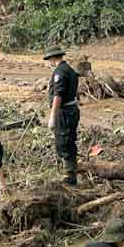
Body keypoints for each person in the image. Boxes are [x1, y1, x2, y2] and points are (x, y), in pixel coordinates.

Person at [44, 47, 80, 186]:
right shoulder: (69, 69)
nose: (49, 63)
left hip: (65, 112)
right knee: (69, 140)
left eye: (49, 60)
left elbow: (58, 96)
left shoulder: (60, 72)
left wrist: (52, 116)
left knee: (64, 141)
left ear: (54, 58)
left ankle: (69, 176)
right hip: (71, 110)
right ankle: (71, 173)